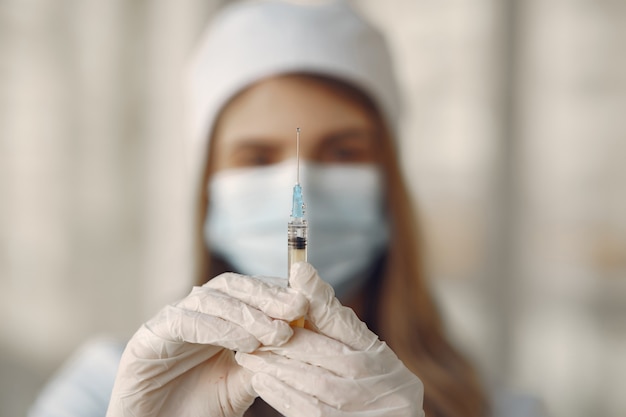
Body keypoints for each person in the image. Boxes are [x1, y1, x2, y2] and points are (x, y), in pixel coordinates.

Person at [30, 1, 545, 416]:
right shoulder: (109, 387)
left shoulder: (499, 408)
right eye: (255, 157)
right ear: (208, 189)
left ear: (391, 183)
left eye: (344, 152)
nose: (301, 185)